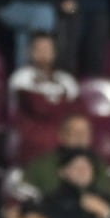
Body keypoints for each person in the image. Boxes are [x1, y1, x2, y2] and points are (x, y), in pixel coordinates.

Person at [9, 33, 82, 165]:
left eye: (47, 49)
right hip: (33, 142)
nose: (43, 53)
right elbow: (35, 107)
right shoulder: (21, 78)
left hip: (63, 141)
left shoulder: (67, 80)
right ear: (29, 52)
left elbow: (75, 111)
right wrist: (60, 103)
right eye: (39, 49)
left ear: (54, 52)